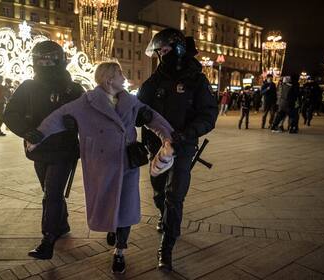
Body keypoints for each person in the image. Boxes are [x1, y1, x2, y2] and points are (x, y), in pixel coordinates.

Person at [29, 62, 174, 274]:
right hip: (100, 165)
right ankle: (111, 227)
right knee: (105, 203)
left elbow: (154, 119)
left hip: (126, 163)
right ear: (109, 79)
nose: (124, 78)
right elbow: (59, 116)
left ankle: (120, 252)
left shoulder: (131, 102)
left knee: (126, 207)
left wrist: (168, 138)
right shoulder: (85, 103)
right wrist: (39, 134)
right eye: (120, 74)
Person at [138, 28, 218, 271]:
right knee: (159, 193)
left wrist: (188, 133)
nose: (162, 56)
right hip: (157, 148)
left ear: (179, 50)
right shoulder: (155, 80)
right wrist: (137, 117)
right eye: (159, 51)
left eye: (165, 50)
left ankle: (167, 245)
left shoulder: (196, 80)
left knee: (175, 195)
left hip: (183, 147)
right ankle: (166, 219)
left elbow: (208, 114)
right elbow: (138, 111)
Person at [3, 40, 85, 260]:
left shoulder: (74, 88)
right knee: (51, 192)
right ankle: (62, 224)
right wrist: (27, 131)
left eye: (49, 58)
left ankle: (48, 239)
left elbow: (88, 116)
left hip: (65, 151)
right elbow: (10, 113)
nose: (45, 63)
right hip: (39, 149)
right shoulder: (28, 86)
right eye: (41, 59)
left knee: (52, 194)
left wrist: (74, 122)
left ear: (59, 60)